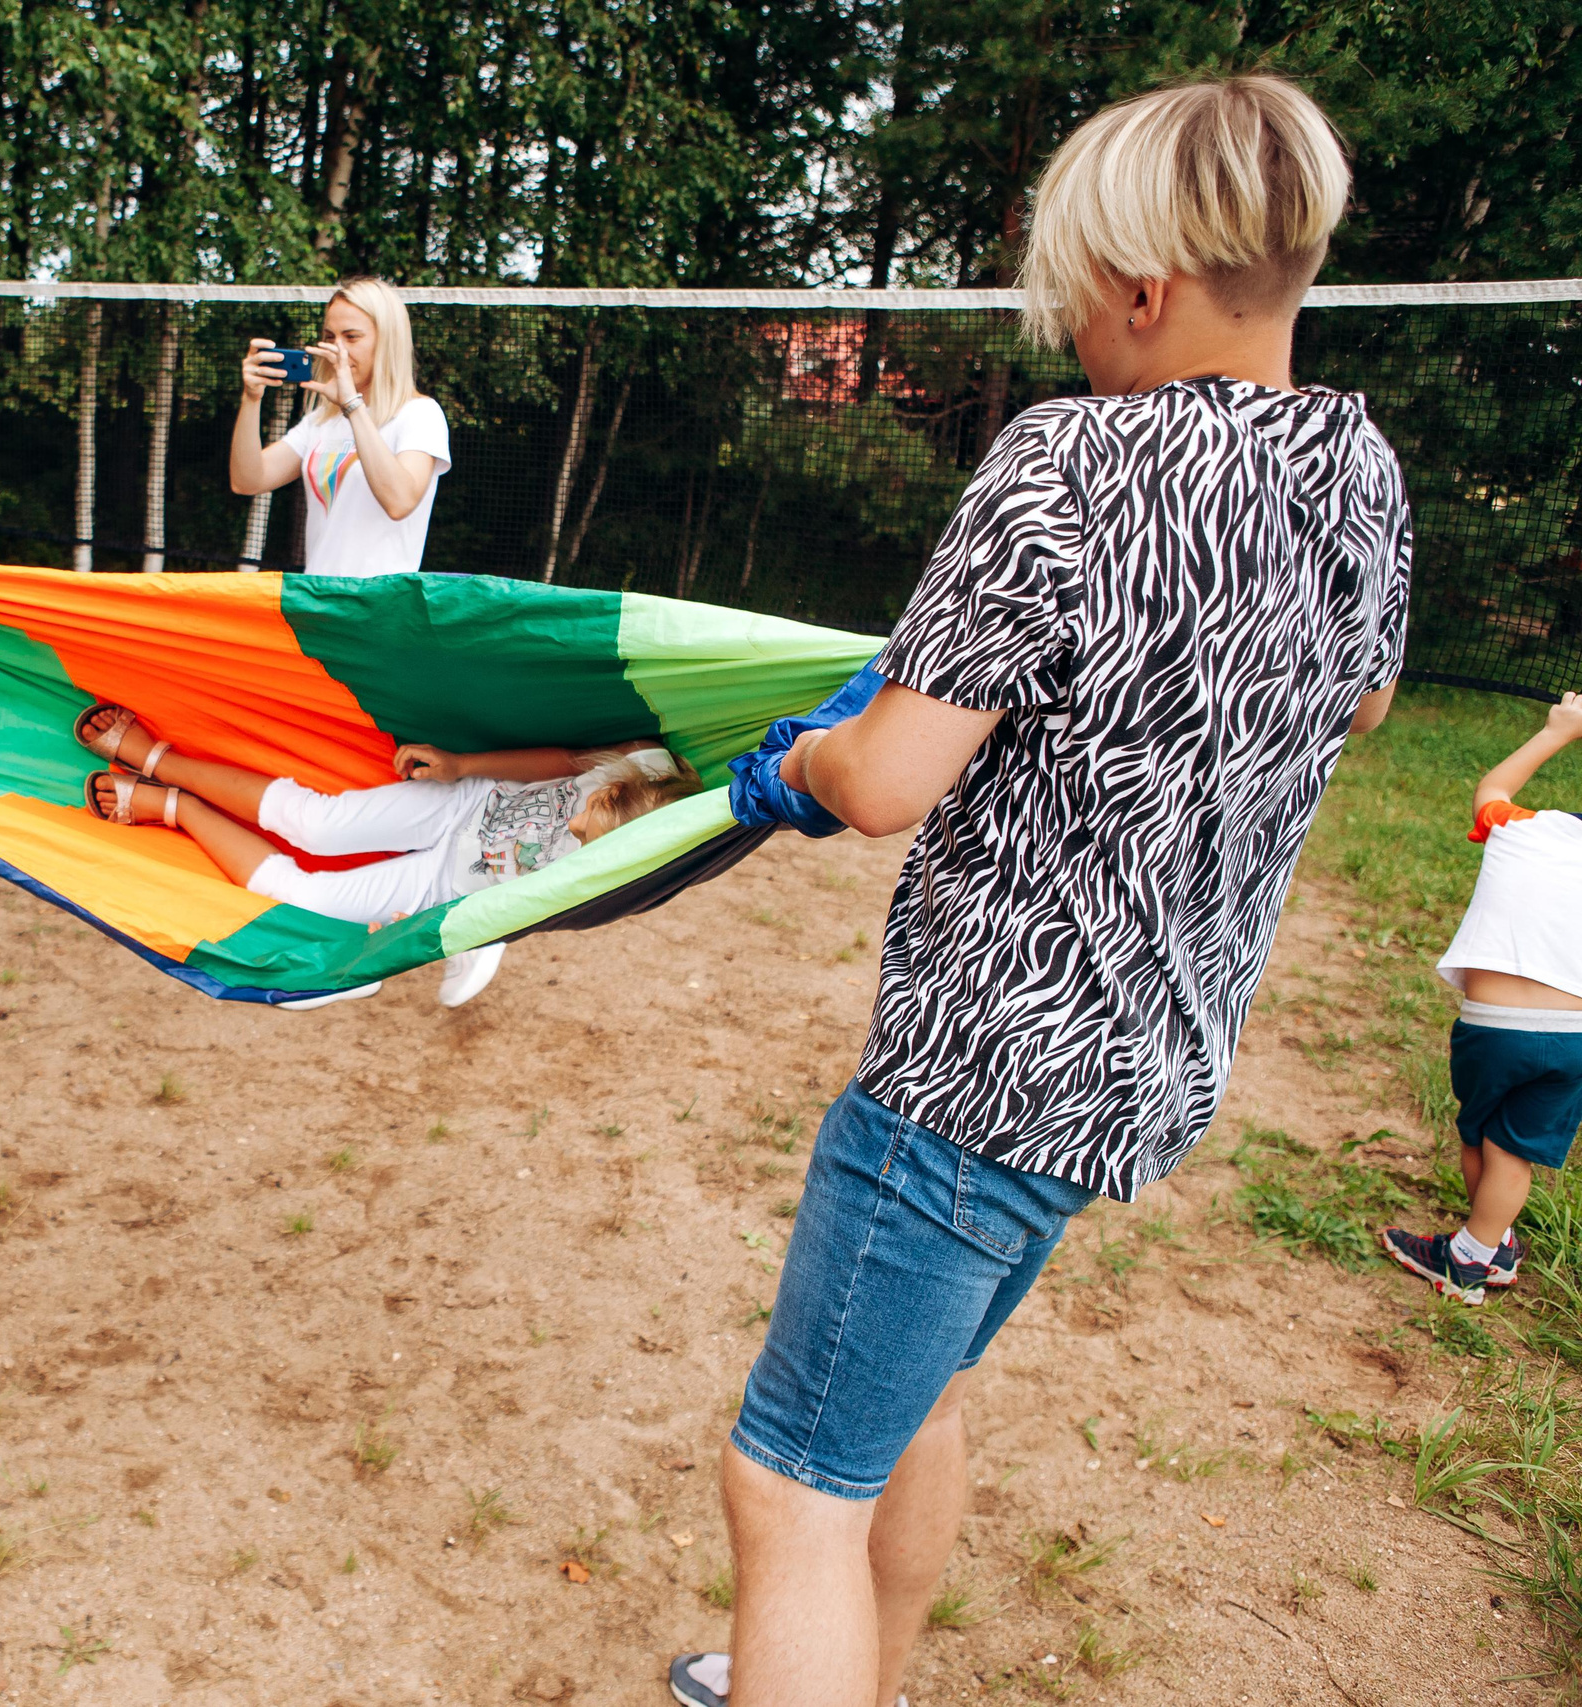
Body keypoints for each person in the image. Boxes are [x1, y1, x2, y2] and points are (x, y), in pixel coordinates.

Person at [664, 77, 1408, 1707]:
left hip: (973, 1081)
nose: (1067, 325)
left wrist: (797, 760)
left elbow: (887, 784)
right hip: (1141, 1072)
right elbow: (1359, 705)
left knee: (791, 1484)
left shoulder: (1070, 461)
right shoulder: (1356, 473)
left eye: (1074, 288)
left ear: (1146, 288)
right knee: (911, 1402)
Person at [228, 277, 505, 1005]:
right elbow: (248, 477)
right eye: (331, 333)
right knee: (344, 779)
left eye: (354, 335)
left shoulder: (420, 416)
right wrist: (253, 400)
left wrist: (353, 405)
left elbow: (398, 497)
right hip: (323, 623)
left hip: (388, 628)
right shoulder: (318, 422)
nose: (337, 348)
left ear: (386, 339)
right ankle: (367, 931)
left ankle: (476, 916)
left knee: (397, 775)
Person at [73, 703, 690, 1003]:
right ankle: (158, 757)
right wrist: (460, 766)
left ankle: (177, 807)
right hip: (464, 806)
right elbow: (561, 762)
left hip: (450, 886)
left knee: (299, 896)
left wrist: (422, 932)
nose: (573, 831)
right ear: (611, 793)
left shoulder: (611, 873)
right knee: (313, 823)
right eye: (586, 824)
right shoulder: (643, 766)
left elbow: (522, 914)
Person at [1379, 692, 1582, 1304]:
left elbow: (1493, 786)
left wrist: (1560, 730)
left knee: (1482, 1137)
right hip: (1576, 1040)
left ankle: (1468, 1258)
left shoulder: (1524, 830)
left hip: (1497, 1028)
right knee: (1514, 1150)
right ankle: (1489, 1246)